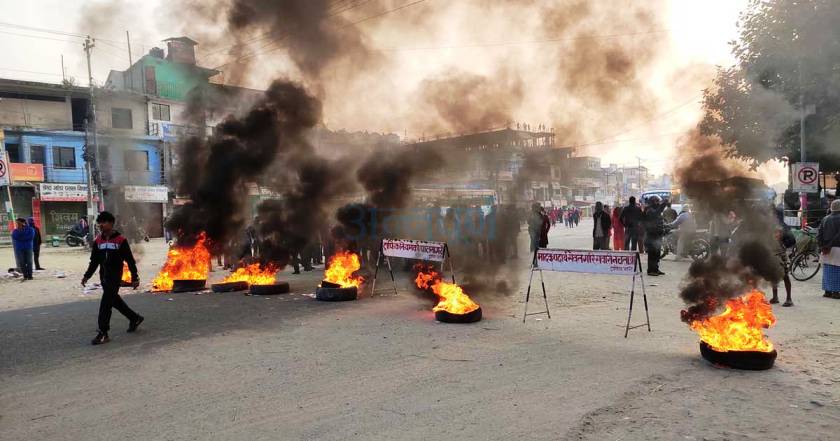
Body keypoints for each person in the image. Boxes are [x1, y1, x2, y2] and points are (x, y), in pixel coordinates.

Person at [82, 211, 143, 346]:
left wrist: (135, 277)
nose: (100, 225)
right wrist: (87, 275)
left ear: (111, 223)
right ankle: (135, 318)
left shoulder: (120, 240)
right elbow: (94, 261)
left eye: (103, 222)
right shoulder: (98, 240)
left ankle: (103, 332)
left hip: (115, 277)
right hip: (104, 276)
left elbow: (130, 261)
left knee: (105, 304)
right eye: (99, 222)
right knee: (115, 301)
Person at [817, 200, 840, 299]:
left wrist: (822, 246)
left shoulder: (825, 218)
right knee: (837, 270)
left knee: (827, 270)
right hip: (837, 248)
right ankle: (835, 292)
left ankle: (827, 291)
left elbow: (819, 234)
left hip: (826, 248)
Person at [770, 227, 794, 307]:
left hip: (781, 255)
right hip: (772, 254)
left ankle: (789, 299)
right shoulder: (770, 225)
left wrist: (784, 244)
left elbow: (791, 240)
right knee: (773, 275)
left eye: (778, 233)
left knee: (785, 276)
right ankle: (775, 297)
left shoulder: (782, 227)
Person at [642, 195, 666, 276]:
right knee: (652, 253)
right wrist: (663, 205)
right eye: (656, 201)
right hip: (652, 235)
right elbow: (656, 214)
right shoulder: (649, 210)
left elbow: (659, 214)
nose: (658, 203)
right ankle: (651, 270)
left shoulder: (655, 209)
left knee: (657, 253)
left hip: (657, 235)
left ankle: (655, 269)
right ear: (652, 202)